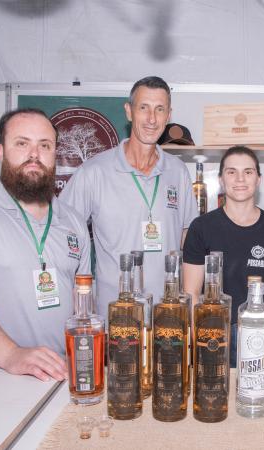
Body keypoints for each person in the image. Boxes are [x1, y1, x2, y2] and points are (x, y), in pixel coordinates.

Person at [0, 108, 91, 381]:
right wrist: (11, 354)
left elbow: (82, 305)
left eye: (44, 146)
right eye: (22, 143)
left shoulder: (74, 221)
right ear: (1, 151)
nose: (34, 154)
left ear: (55, 154)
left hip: (57, 374)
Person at [60, 76, 197, 314]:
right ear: (129, 111)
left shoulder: (178, 171)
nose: (152, 119)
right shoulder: (94, 172)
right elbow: (62, 232)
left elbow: (189, 237)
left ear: (169, 115)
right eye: (143, 107)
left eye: (160, 109)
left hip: (168, 315)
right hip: (114, 315)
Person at [183, 146, 264, 367]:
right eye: (231, 172)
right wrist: (201, 343)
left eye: (248, 172)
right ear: (221, 180)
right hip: (216, 334)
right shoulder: (201, 228)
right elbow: (191, 294)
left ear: (258, 179)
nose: (240, 179)